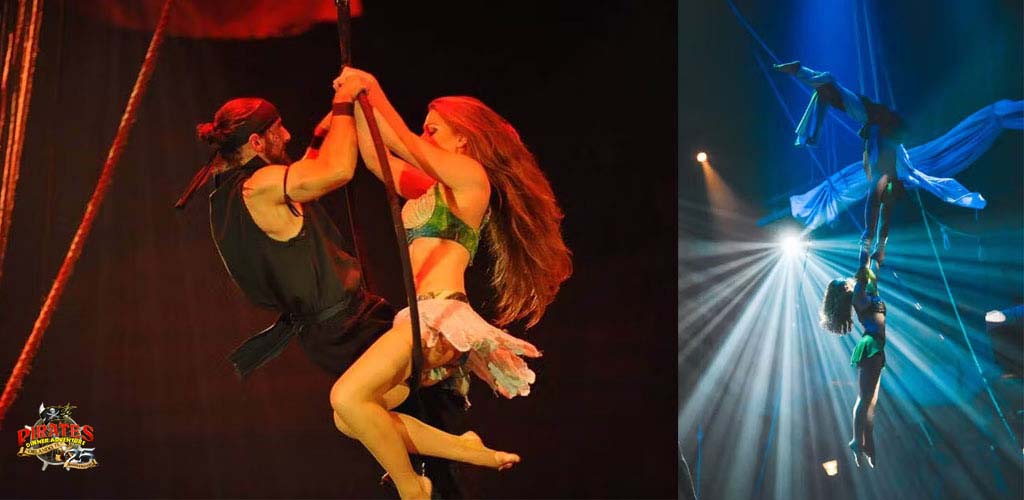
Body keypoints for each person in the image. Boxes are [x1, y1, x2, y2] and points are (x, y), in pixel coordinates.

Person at [185, 71, 465, 497]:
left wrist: (326, 130)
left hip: (338, 327)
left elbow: (308, 177)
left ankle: (437, 468)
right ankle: (436, 476)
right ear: (257, 143)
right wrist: (345, 106)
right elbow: (335, 171)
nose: (289, 135)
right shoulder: (257, 187)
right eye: (278, 131)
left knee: (403, 411)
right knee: (411, 409)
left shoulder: (233, 194)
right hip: (348, 327)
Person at [326, 67, 572, 499]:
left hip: (441, 317)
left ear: (463, 139)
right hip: (415, 318)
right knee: (351, 416)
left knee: (347, 396)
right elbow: (376, 158)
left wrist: (372, 88)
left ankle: (412, 491)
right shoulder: (430, 189)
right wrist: (354, 106)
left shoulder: (471, 179)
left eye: (433, 128)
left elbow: (402, 141)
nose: (424, 134)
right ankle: (464, 448)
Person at [774, 61, 908, 268]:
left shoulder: (887, 174)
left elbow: (881, 223)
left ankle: (803, 76)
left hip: (877, 121)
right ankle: (802, 71)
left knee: (829, 95)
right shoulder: (885, 177)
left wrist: (877, 250)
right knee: (832, 90)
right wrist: (873, 253)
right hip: (877, 119)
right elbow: (876, 222)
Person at [820, 265, 887, 468]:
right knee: (865, 398)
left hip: (877, 347)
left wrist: (880, 241)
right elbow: (864, 263)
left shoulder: (867, 293)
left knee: (871, 402)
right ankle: (857, 440)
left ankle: (867, 442)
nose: (848, 285)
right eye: (845, 286)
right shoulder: (858, 295)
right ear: (845, 292)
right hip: (871, 345)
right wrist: (867, 238)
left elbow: (873, 267)